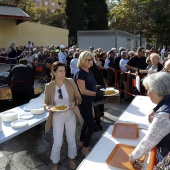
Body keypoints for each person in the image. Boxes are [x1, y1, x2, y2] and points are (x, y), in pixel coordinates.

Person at [44, 61, 82, 170]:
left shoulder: (70, 82)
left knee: (71, 140)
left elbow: (79, 98)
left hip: (70, 114)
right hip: (57, 116)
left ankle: (72, 159)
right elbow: (46, 103)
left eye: (64, 70)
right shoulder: (49, 86)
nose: (63, 73)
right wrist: (48, 108)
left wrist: (74, 103)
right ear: (53, 72)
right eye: (60, 71)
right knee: (57, 142)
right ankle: (55, 162)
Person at [129, 72, 170, 167]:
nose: (147, 93)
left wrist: (133, 157)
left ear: (155, 90)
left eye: (147, 89)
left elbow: (149, 141)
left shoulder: (163, 115)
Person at [74, 51, 104, 157]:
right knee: (91, 126)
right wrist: (96, 93)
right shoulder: (80, 73)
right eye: (88, 59)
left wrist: (98, 89)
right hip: (83, 102)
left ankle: (81, 142)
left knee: (87, 123)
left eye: (91, 59)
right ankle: (85, 148)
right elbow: (82, 90)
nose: (90, 61)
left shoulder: (88, 70)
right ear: (82, 60)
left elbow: (90, 85)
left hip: (89, 101)